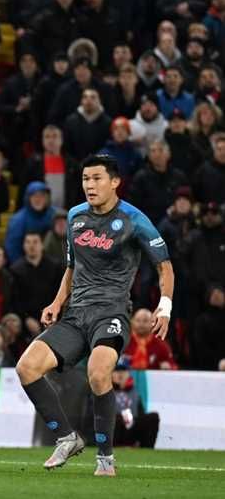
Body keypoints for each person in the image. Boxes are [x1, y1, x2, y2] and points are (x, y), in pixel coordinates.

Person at [15, 154, 174, 477]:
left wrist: (165, 306)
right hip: (76, 315)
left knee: (98, 373)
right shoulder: (75, 217)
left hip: (111, 313)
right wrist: (56, 302)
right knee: (26, 367)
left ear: (115, 182)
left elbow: (165, 267)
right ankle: (67, 437)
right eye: (86, 179)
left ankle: (105, 458)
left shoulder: (134, 220)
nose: (90, 185)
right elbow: (72, 268)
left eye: (97, 178)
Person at [110, 359, 161, 449]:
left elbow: (141, 415)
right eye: (117, 370)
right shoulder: (105, 390)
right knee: (115, 419)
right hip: (113, 430)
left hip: (131, 427)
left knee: (153, 417)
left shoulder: (134, 392)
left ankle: (147, 450)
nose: (120, 374)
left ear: (128, 373)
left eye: (123, 370)